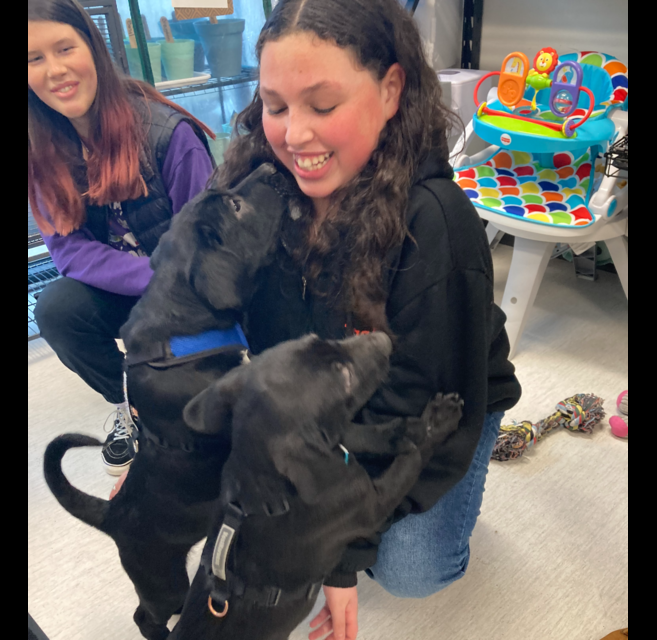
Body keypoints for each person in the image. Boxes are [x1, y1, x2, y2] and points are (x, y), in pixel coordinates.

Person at [215, 1, 523, 639]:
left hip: (440, 399)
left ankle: (457, 507)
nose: (295, 134)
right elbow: (268, 355)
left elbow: (420, 409)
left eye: (322, 106)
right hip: (338, 391)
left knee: (410, 570)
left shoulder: (434, 225)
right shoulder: (264, 194)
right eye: (275, 106)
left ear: (389, 90)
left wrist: (340, 554)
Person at [27, 0, 215, 475]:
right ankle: (130, 401)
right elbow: (69, 253)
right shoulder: (42, 151)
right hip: (136, 290)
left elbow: (206, 246)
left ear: (93, 46)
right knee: (55, 309)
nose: (55, 70)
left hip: (191, 291)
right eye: (33, 59)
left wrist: (168, 289)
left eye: (65, 48)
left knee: (204, 430)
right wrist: (150, 281)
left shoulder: (168, 133)